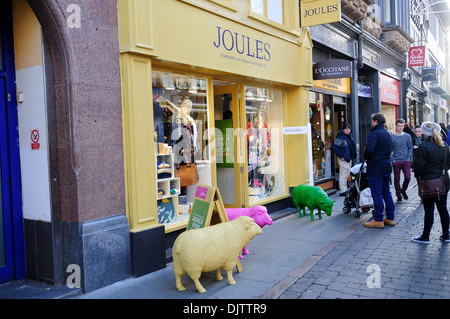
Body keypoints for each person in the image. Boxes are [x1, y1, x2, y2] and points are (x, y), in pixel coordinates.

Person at [411, 121, 450, 243]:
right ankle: (446, 235)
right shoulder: (444, 146)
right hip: (443, 181)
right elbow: (448, 164)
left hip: (428, 182)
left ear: (425, 133)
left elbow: (418, 166)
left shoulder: (423, 146)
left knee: (429, 209)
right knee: (443, 209)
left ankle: (425, 236)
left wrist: (419, 176)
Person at [363, 113, 396, 228]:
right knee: (386, 192)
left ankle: (378, 219)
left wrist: (365, 155)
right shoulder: (387, 133)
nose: (371, 123)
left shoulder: (374, 133)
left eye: (372, 121)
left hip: (376, 167)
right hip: (386, 167)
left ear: (376, 121)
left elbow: (370, 150)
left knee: (376, 193)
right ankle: (390, 218)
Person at [391, 118, 413, 202]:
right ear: (396, 126)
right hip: (396, 160)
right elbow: (389, 149)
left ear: (403, 126)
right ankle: (398, 195)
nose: (400, 127)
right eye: (399, 126)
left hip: (405, 160)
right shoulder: (392, 136)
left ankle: (403, 190)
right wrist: (392, 160)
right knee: (397, 179)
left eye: (402, 126)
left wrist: (408, 158)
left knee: (408, 177)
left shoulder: (407, 136)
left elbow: (410, 147)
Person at [332, 123, 357, 196]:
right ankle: (343, 190)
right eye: (346, 129)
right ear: (343, 130)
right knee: (343, 174)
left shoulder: (349, 137)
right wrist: (341, 156)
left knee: (347, 174)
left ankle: (345, 189)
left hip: (348, 159)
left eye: (348, 129)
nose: (347, 130)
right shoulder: (341, 137)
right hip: (344, 159)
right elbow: (335, 147)